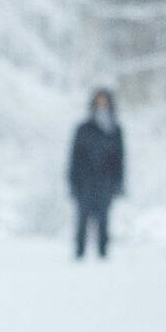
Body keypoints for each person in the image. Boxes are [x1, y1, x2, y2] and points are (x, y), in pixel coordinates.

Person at [66, 88, 125, 260]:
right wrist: (73, 181)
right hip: (85, 182)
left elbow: (120, 158)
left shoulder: (115, 130)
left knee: (104, 219)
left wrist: (118, 182)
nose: (101, 103)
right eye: (99, 100)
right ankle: (79, 253)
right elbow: (75, 157)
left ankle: (103, 253)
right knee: (82, 218)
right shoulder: (83, 128)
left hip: (106, 182)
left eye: (104, 100)